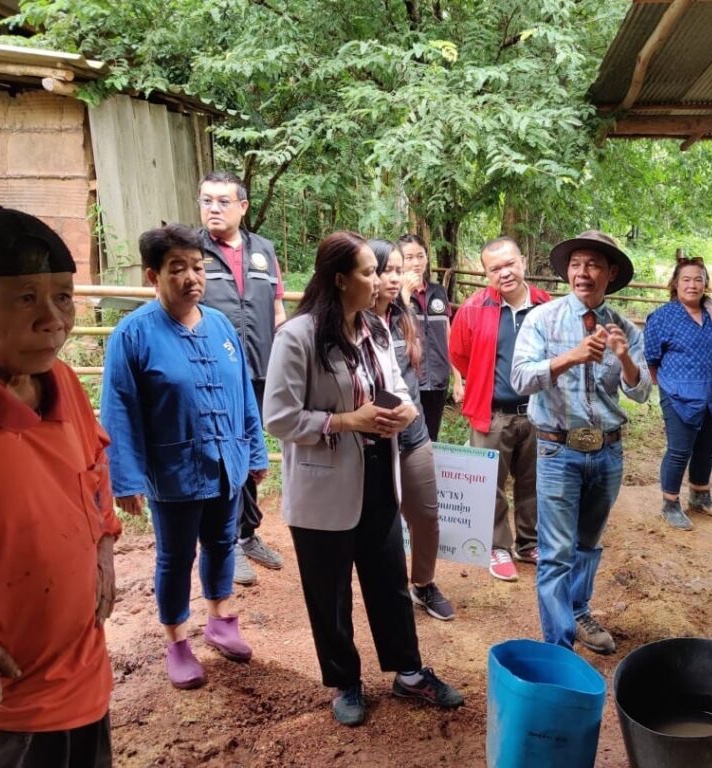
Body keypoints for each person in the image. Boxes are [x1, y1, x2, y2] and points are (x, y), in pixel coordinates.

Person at [263, 231, 463, 727]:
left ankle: (409, 672)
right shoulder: (299, 336)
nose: (380, 280)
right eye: (369, 272)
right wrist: (346, 421)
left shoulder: (373, 328)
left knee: (389, 580)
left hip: (377, 476)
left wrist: (404, 412)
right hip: (323, 487)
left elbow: (397, 387)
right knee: (329, 593)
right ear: (339, 279)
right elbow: (279, 417)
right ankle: (345, 680)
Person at [101, 224, 268, 690]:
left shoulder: (220, 326)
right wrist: (126, 479)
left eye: (198, 267)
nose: (192, 277)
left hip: (226, 463)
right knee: (175, 557)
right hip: (173, 469)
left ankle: (220, 619)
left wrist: (255, 450)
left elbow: (242, 393)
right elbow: (119, 410)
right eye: (178, 268)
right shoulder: (133, 335)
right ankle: (176, 640)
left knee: (222, 544)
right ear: (153, 276)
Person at [0, 207, 120, 767]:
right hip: (5, 711)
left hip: (85, 681)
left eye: (63, 297)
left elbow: (94, 468)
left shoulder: (61, 380)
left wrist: (104, 544)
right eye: (26, 298)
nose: (53, 320)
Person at [512, 230, 651, 654]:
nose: (582, 273)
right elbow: (519, 378)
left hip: (607, 452)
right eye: (576, 264)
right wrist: (570, 356)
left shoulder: (625, 327)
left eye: (593, 265)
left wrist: (623, 357)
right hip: (557, 449)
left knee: (587, 545)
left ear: (611, 273)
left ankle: (578, 610)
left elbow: (641, 392)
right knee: (555, 552)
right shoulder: (543, 319)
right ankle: (559, 648)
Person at [198, 170, 286, 586]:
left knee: (252, 450)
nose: (213, 208)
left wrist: (285, 362)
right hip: (213, 373)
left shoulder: (263, 250)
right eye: (207, 201)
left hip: (260, 368)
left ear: (243, 207)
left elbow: (278, 311)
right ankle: (225, 541)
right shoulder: (192, 250)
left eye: (223, 201)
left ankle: (248, 533)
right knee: (223, 454)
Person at [450, 237, 552, 581]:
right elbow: (459, 353)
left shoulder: (545, 306)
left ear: (522, 261)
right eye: (495, 269)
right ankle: (497, 546)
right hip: (492, 413)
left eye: (510, 264)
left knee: (533, 480)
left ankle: (529, 542)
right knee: (489, 484)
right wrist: (482, 382)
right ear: (486, 275)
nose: (505, 273)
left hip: (538, 412)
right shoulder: (474, 308)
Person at [369, 239, 455, 620]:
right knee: (379, 520)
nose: (394, 277)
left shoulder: (403, 317)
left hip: (413, 434)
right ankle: (385, 588)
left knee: (426, 516)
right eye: (385, 270)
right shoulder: (352, 321)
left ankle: (423, 582)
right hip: (370, 439)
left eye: (398, 269)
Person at [644, 255, 712, 532]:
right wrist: (668, 387)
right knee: (679, 450)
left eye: (698, 279)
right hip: (677, 394)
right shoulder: (662, 317)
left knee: (707, 449)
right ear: (675, 283)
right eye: (686, 279)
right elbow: (651, 359)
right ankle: (670, 504)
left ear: (706, 284)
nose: (692, 285)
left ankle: (700, 496)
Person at [398, 234, 463, 441]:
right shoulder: (392, 293)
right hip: (407, 380)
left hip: (437, 380)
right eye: (409, 257)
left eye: (420, 256)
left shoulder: (438, 291)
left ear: (427, 258)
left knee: (431, 437)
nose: (416, 263)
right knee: (406, 439)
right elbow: (392, 328)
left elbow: (448, 335)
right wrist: (404, 293)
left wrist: (457, 379)